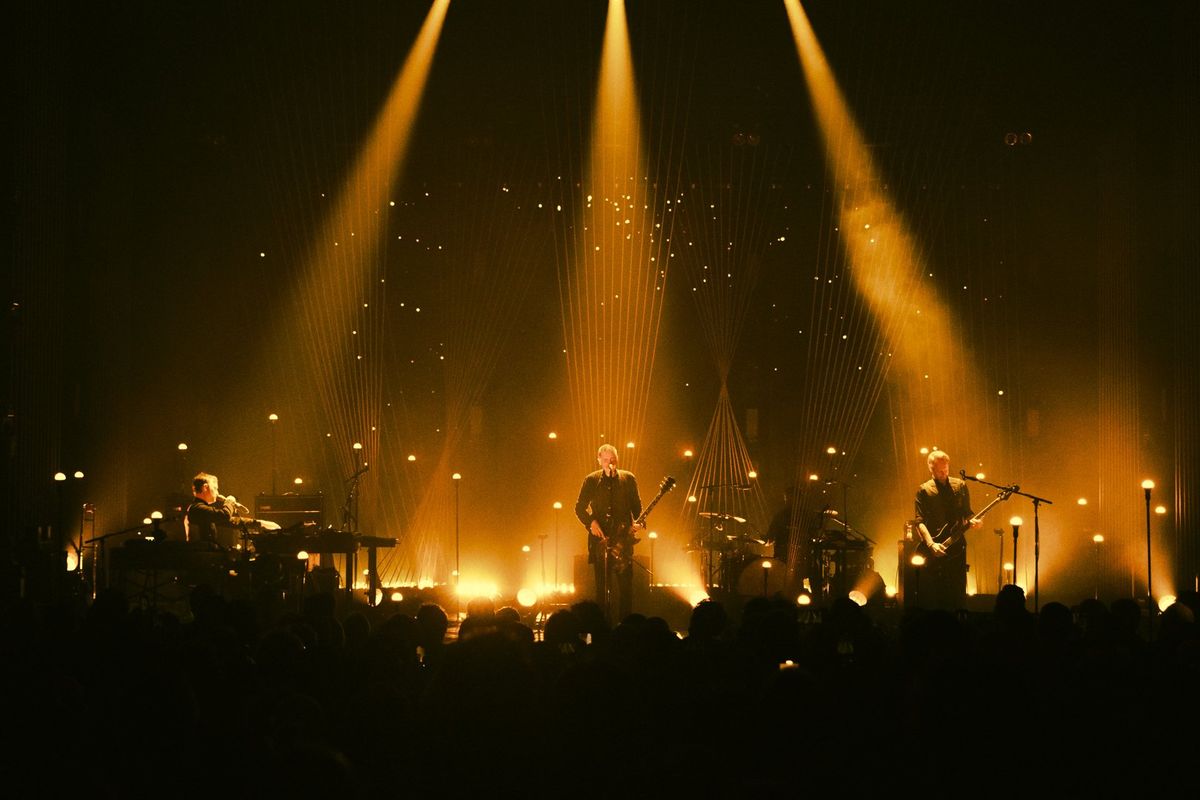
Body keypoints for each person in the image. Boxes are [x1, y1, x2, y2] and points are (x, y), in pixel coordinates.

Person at [574, 443, 643, 623]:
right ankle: (602, 626)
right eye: (605, 460)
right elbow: (579, 507)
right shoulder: (591, 480)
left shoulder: (628, 478)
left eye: (612, 459)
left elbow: (637, 507)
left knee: (625, 586)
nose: (609, 463)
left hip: (623, 541)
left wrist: (639, 522)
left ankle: (626, 626)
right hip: (601, 540)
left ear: (617, 460)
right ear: (599, 460)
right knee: (602, 587)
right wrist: (591, 523)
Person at [913, 450, 980, 611]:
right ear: (931, 468)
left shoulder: (960, 486)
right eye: (940, 470)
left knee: (958, 588)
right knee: (936, 591)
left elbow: (967, 512)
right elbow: (919, 522)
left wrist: (974, 521)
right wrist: (931, 544)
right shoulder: (924, 490)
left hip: (957, 545)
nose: (944, 472)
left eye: (946, 468)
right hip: (935, 545)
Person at [185, 472, 276, 548]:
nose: (217, 492)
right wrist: (230, 501)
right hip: (203, 558)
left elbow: (231, 521)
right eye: (215, 488)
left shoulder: (202, 509)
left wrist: (260, 523)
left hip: (207, 555)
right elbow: (224, 515)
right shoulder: (196, 508)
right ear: (205, 487)